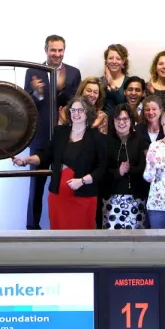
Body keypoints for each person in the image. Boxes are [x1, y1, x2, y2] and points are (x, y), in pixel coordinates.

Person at [13, 96, 107, 230]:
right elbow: (45, 156)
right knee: (59, 233)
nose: (76, 113)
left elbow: (102, 167)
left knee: (81, 236)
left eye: (80, 110)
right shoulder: (60, 132)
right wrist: (26, 160)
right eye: (73, 110)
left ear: (88, 113)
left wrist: (83, 180)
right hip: (58, 195)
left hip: (84, 195)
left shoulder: (96, 137)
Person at [23, 34, 82, 230]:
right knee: (36, 186)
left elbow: (74, 104)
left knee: (64, 185)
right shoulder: (33, 71)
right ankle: (32, 227)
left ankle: (65, 227)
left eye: (60, 50)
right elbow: (25, 105)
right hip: (39, 138)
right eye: (53, 50)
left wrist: (60, 89)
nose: (57, 54)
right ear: (45, 50)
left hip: (65, 138)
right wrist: (37, 92)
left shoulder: (73, 73)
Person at [102, 104, 150, 229]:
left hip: (136, 197)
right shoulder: (105, 141)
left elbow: (145, 168)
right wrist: (118, 172)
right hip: (112, 197)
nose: (121, 122)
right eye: (118, 119)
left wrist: (129, 169)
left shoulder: (140, 141)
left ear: (131, 120)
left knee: (135, 237)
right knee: (111, 236)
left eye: (125, 119)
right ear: (113, 121)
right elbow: (102, 170)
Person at [100, 44, 130, 114]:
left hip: (122, 120)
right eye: (110, 58)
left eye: (118, 59)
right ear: (106, 60)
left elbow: (125, 105)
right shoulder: (99, 82)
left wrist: (111, 84)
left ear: (123, 61)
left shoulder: (129, 82)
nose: (114, 61)